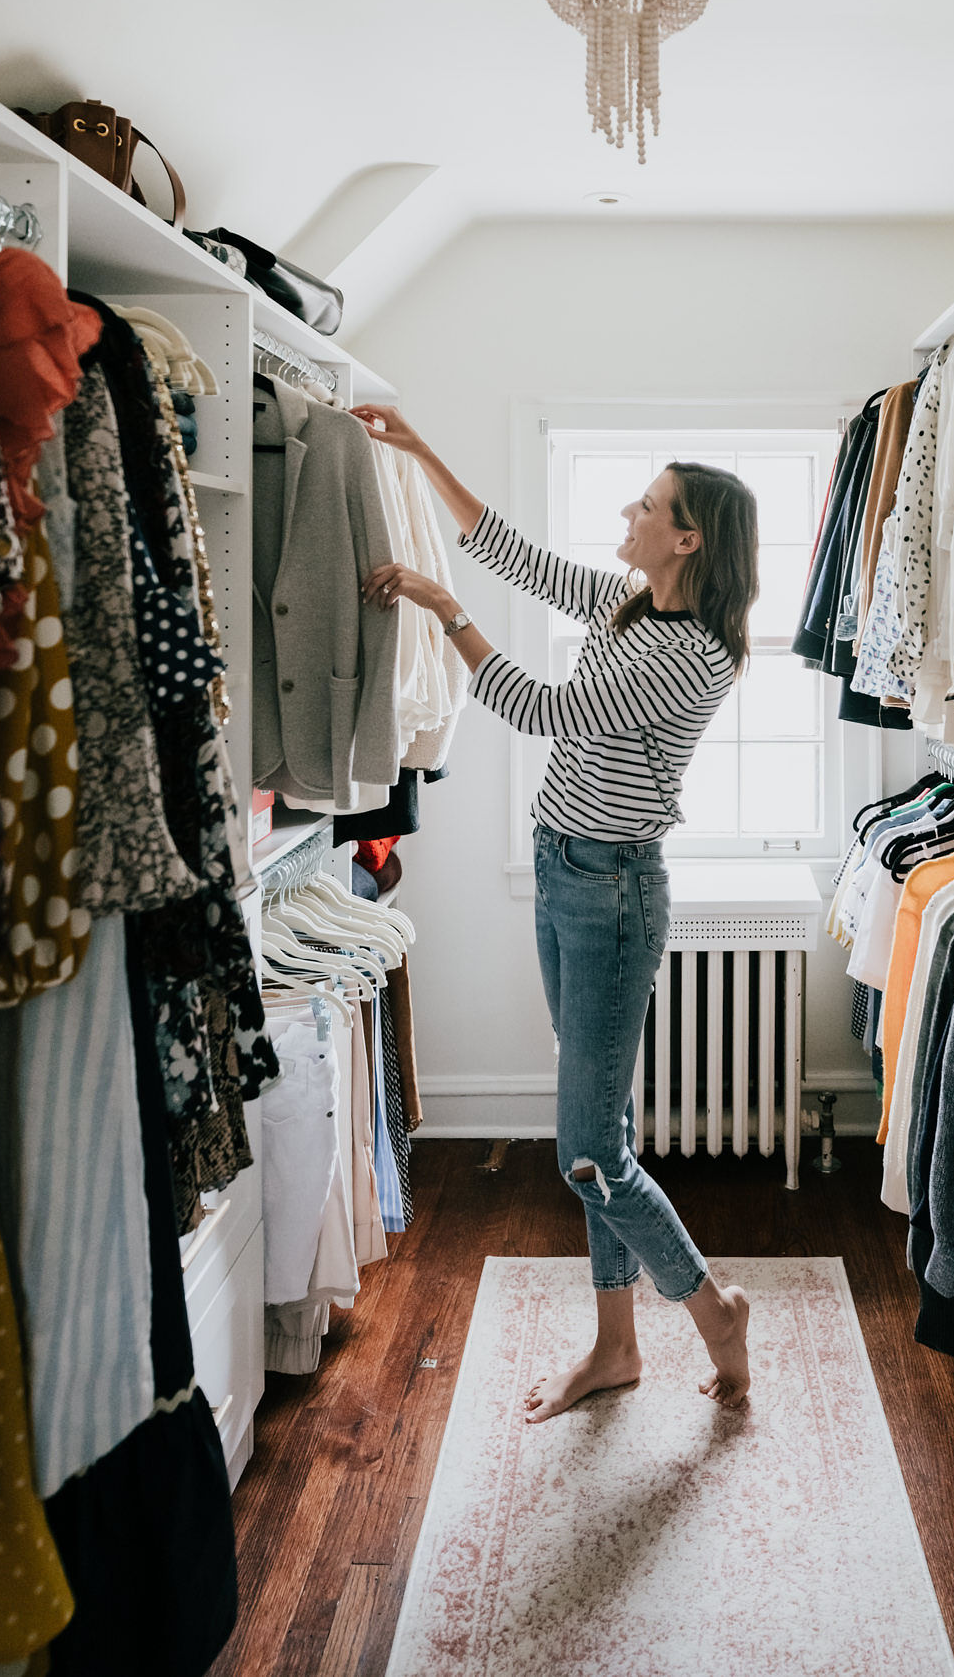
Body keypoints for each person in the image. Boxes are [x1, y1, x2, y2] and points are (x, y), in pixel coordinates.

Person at [352, 404, 760, 1421]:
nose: (629, 510)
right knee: (602, 1133)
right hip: (562, 868)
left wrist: (446, 612)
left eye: (649, 503)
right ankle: (615, 1346)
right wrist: (418, 449)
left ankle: (712, 1309)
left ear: (688, 538)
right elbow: (523, 560)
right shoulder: (633, 603)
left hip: (614, 896)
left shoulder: (693, 653)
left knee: (586, 1151)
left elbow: (545, 710)